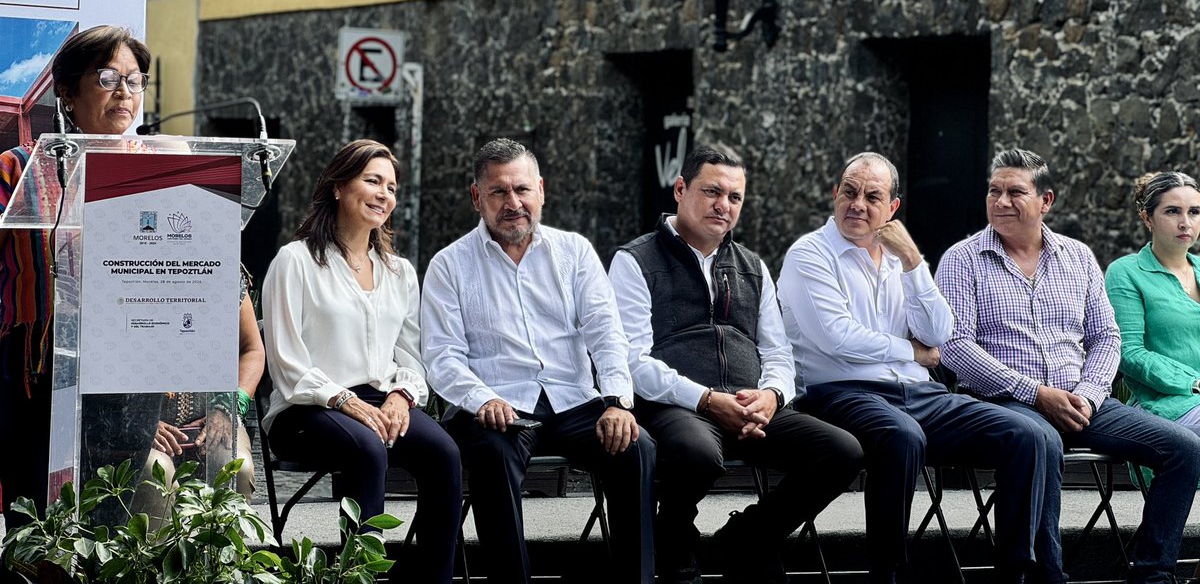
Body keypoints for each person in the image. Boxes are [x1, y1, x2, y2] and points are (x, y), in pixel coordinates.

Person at [777, 151, 1052, 584]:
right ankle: (887, 574)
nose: (858, 205)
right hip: (841, 393)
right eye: (849, 192)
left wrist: (911, 261)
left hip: (920, 395)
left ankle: (1015, 574)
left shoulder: (895, 261)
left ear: (892, 208)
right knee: (901, 437)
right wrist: (912, 352)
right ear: (834, 194)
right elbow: (838, 338)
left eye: (873, 196)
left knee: (1028, 434)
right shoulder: (809, 254)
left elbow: (940, 330)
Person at [937, 148, 1200, 584]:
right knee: (1039, 439)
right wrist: (1035, 394)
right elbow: (956, 347)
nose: (1001, 202)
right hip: (1004, 402)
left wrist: (1091, 394)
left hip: (1083, 397)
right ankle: (1043, 578)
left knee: (1184, 449)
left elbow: (1106, 337)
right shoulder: (961, 260)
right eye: (994, 191)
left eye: (1015, 192)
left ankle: (1153, 574)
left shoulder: (1076, 257)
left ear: (1046, 201)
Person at [609, 145, 863, 584]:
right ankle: (674, 536)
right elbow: (631, 361)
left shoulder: (752, 266)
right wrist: (706, 400)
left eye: (734, 197)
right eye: (711, 191)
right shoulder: (635, 261)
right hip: (678, 407)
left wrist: (772, 395)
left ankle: (748, 536)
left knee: (842, 452)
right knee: (698, 454)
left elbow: (778, 351)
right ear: (680, 189)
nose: (722, 205)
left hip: (751, 405)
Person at [420, 138, 655, 584]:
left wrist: (617, 402)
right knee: (491, 450)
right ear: (477, 197)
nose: (513, 203)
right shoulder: (449, 265)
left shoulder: (575, 252)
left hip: (573, 399)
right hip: (494, 405)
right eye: (499, 192)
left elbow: (607, 334)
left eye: (522, 190)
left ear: (541, 191)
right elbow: (441, 356)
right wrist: (482, 398)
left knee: (637, 446)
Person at [262, 140, 461, 582]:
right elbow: (287, 362)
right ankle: (360, 576)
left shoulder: (399, 271)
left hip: (379, 398)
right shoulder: (295, 261)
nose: (384, 194)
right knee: (368, 447)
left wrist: (401, 394)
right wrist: (346, 401)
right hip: (306, 408)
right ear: (337, 187)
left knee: (445, 453)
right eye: (372, 181)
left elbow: (411, 353)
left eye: (390, 187)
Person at [0, 26, 152, 535]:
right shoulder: (15, 171)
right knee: (38, 536)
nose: (125, 92)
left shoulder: (158, 174)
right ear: (67, 89)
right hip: (34, 378)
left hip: (126, 383)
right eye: (108, 77)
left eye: (135, 80)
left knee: (110, 531)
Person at [131, 265, 263, 518]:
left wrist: (227, 408)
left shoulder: (221, 265)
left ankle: (220, 557)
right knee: (155, 473)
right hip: (137, 422)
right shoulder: (122, 267)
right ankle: (152, 558)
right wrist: (136, 421)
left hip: (212, 417)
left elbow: (252, 350)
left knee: (236, 469)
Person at [1107, 171, 1200, 436]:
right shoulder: (1126, 272)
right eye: (1172, 212)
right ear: (1148, 218)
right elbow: (1128, 351)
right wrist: (1192, 381)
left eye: (1194, 212)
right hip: (1164, 407)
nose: (1185, 223)